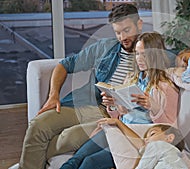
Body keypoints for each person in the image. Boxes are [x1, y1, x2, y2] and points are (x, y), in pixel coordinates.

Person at [13, 3, 190, 169]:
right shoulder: (104, 47)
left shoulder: (154, 54)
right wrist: (53, 95)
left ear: (139, 24)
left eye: (127, 30)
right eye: (118, 32)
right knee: (38, 125)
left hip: (115, 115)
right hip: (90, 103)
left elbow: (187, 59)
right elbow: (64, 65)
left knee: (65, 139)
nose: (123, 37)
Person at [60, 31, 180, 169]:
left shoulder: (165, 87)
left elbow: (170, 128)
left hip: (135, 137)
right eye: (137, 53)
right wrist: (113, 105)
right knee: (75, 159)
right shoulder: (132, 78)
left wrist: (154, 108)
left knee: (89, 162)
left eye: (144, 54)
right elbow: (122, 114)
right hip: (117, 128)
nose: (139, 58)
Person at [97, 118, 188, 169]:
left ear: (169, 138)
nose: (146, 139)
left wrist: (119, 123)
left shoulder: (160, 146)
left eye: (152, 134)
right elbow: (141, 145)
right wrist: (119, 123)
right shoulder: (174, 157)